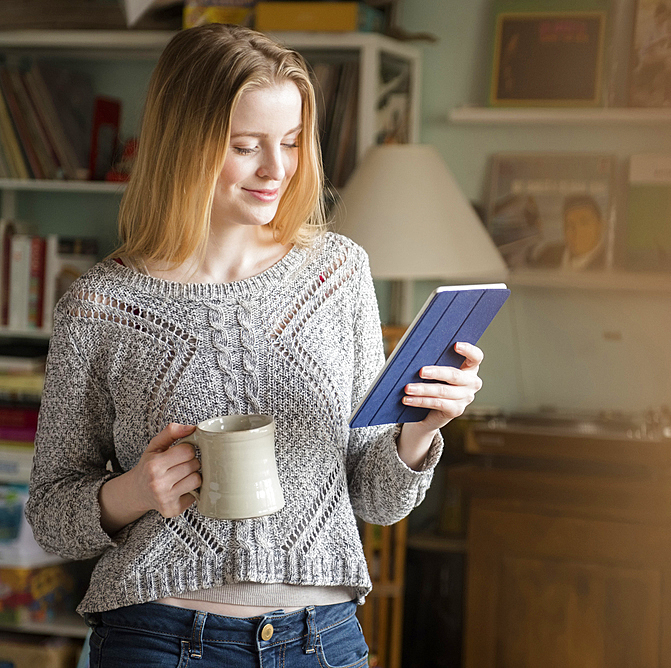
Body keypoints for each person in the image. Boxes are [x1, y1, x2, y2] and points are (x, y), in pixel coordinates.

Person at [25, 24, 485, 668]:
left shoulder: (337, 275)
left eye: (292, 141)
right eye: (246, 147)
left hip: (319, 643)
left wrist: (419, 431)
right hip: (159, 640)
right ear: (185, 145)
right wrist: (133, 492)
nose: (277, 169)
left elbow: (376, 501)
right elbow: (48, 516)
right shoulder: (102, 304)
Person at [529, 194, 608, 270]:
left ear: (600, 225)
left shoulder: (609, 263)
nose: (577, 231)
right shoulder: (547, 255)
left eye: (584, 223)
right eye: (569, 224)